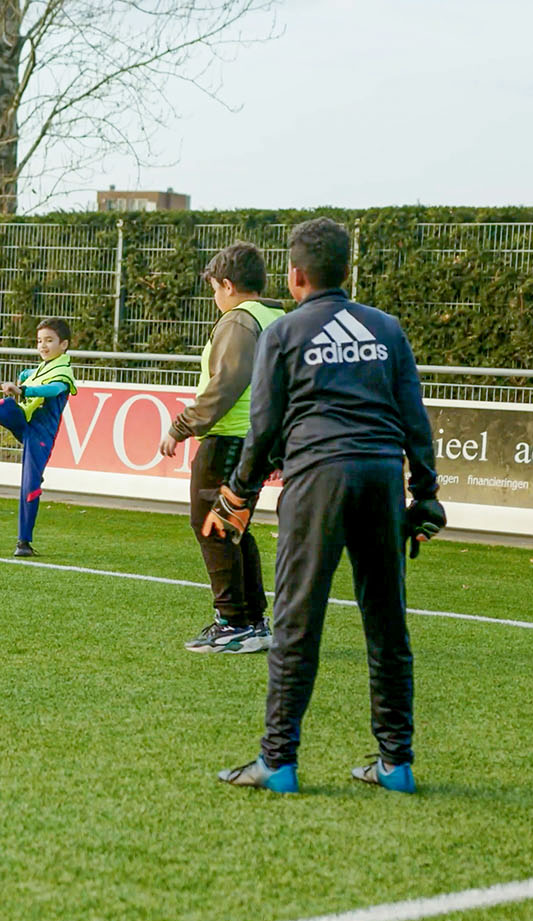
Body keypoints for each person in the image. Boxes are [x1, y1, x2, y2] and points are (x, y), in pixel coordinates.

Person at [208, 218, 446, 796]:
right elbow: (415, 417)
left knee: (296, 622)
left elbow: (263, 427)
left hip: (316, 481)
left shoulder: (284, 333)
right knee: (387, 623)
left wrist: (236, 493)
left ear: (295, 275)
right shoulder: (386, 329)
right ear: (347, 270)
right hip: (381, 478)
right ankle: (396, 763)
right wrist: (427, 496)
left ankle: (279, 762)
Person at [159, 242, 285, 654]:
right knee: (234, 525)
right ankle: (253, 621)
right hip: (256, 437)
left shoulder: (238, 321)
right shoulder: (276, 316)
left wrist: (181, 426)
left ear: (227, 285)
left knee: (211, 523)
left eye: (214, 288)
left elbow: (226, 384)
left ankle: (231, 622)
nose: (215, 298)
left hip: (229, 435)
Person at [0, 317, 78, 558]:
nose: (43, 346)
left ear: (64, 345)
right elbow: (29, 374)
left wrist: (23, 389)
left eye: (49, 341)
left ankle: (23, 542)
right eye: (39, 341)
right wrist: (23, 376)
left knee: (30, 485)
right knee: (6, 406)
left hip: (40, 435)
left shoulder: (64, 371)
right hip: (24, 421)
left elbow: (53, 389)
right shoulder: (42, 367)